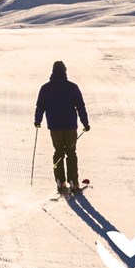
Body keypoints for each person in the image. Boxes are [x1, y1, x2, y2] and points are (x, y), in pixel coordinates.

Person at [34, 60, 90, 195]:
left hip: (55, 127)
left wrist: (37, 120)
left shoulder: (46, 88)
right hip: (70, 126)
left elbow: (40, 106)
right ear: (65, 71)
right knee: (71, 153)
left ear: (53, 71)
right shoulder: (72, 87)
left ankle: (60, 181)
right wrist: (85, 123)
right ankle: (73, 182)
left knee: (58, 152)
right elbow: (80, 106)